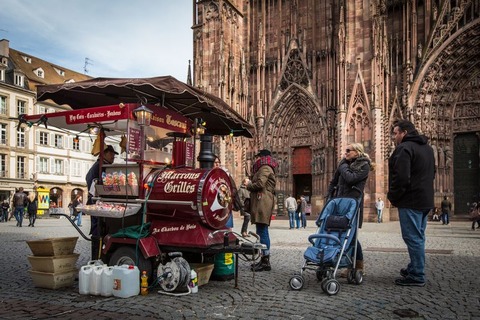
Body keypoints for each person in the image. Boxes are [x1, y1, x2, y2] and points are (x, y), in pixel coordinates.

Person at [388, 119, 435, 287]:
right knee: (419, 236)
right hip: (425, 200)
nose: (393, 137)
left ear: (404, 133)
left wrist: (393, 196)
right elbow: (433, 173)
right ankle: (414, 267)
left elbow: (400, 177)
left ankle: (417, 274)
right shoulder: (428, 149)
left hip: (411, 200)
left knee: (412, 237)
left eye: (395, 133)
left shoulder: (404, 148)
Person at [327, 142, 373, 275]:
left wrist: (342, 166)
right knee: (336, 232)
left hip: (352, 204)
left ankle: (358, 265)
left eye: (348, 150)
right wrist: (329, 197)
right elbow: (334, 181)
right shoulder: (344, 165)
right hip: (339, 202)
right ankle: (339, 261)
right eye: (345, 150)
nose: (345, 152)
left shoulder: (364, 165)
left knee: (351, 236)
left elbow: (351, 179)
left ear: (357, 152)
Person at [247, 149, 277, 272]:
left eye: (259, 157)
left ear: (263, 157)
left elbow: (260, 184)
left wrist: (248, 185)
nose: (257, 159)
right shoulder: (265, 167)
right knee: (261, 230)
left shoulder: (265, 167)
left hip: (263, 201)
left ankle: (265, 261)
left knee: (262, 230)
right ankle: (264, 259)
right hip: (262, 201)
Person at [86, 144, 118, 260]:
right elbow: (92, 184)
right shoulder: (98, 166)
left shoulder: (104, 166)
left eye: (114, 154)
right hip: (96, 203)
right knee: (97, 230)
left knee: (101, 229)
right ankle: (96, 258)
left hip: (99, 203)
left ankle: (101, 257)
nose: (113, 156)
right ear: (103, 153)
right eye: (111, 153)